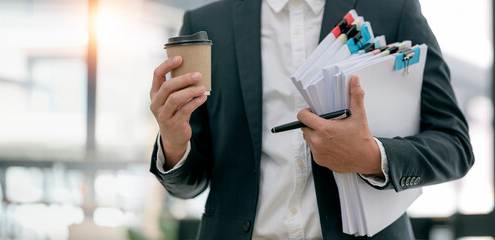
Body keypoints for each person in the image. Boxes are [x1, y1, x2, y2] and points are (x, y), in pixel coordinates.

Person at [148, 0, 474, 239]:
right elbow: (190, 184)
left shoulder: (393, 8)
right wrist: (175, 145)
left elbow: (454, 145)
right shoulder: (206, 23)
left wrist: (372, 157)